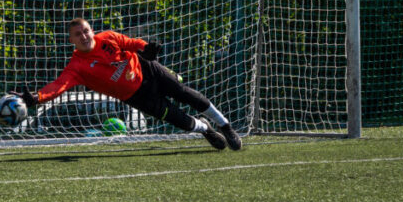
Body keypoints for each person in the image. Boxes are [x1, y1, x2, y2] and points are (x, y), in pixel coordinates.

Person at [14, 17, 241, 150]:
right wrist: (37, 97)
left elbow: (132, 43)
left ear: (92, 31)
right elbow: (59, 85)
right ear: (71, 40)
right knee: (179, 120)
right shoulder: (76, 67)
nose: (83, 36)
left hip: (148, 71)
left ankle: (226, 127)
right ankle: (205, 128)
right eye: (77, 34)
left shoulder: (109, 37)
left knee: (188, 95)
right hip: (136, 97)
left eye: (86, 30)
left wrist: (146, 49)